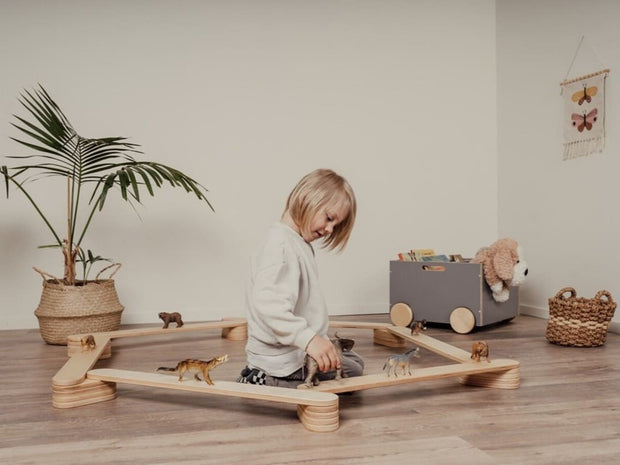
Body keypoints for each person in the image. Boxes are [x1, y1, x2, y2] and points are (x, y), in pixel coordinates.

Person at [237, 168, 364, 388]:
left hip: (292, 349)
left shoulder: (294, 241)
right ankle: (267, 379)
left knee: (353, 362)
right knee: (352, 370)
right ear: (307, 199)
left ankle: (275, 374)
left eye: (335, 226)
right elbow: (269, 305)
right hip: (281, 361)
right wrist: (310, 339)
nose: (329, 229)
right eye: (329, 218)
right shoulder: (281, 246)